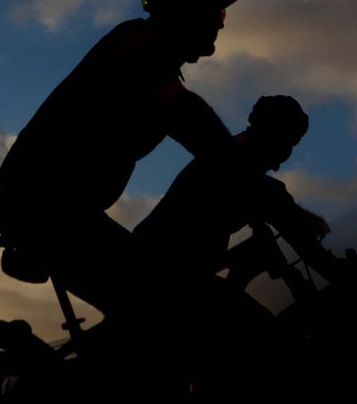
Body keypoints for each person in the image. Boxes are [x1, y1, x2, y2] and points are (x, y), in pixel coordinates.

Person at [0, 0, 243, 316]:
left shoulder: (152, 58)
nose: (219, 25)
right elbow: (188, 117)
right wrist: (239, 168)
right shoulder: (138, 44)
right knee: (157, 306)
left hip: (59, 210)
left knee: (151, 299)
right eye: (216, 12)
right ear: (186, 9)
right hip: (44, 209)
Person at [135, 94, 335, 287]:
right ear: (272, 137)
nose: (279, 163)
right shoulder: (257, 184)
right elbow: (308, 248)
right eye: (287, 144)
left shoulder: (227, 159)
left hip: (154, 257)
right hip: (165, 270)